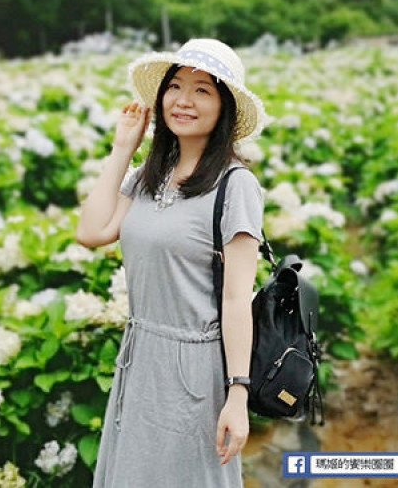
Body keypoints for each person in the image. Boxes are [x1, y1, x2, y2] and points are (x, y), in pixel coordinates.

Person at [76, 38, 267, 487]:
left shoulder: (235, 185)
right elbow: (91, 232)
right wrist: (124, 147)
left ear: (224, 108)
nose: (183, 100)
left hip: (195, 366)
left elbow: (238, 297)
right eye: (175, 86)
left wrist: (237, 394)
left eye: (202, 90)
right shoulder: (149, 177)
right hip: (140, 355)